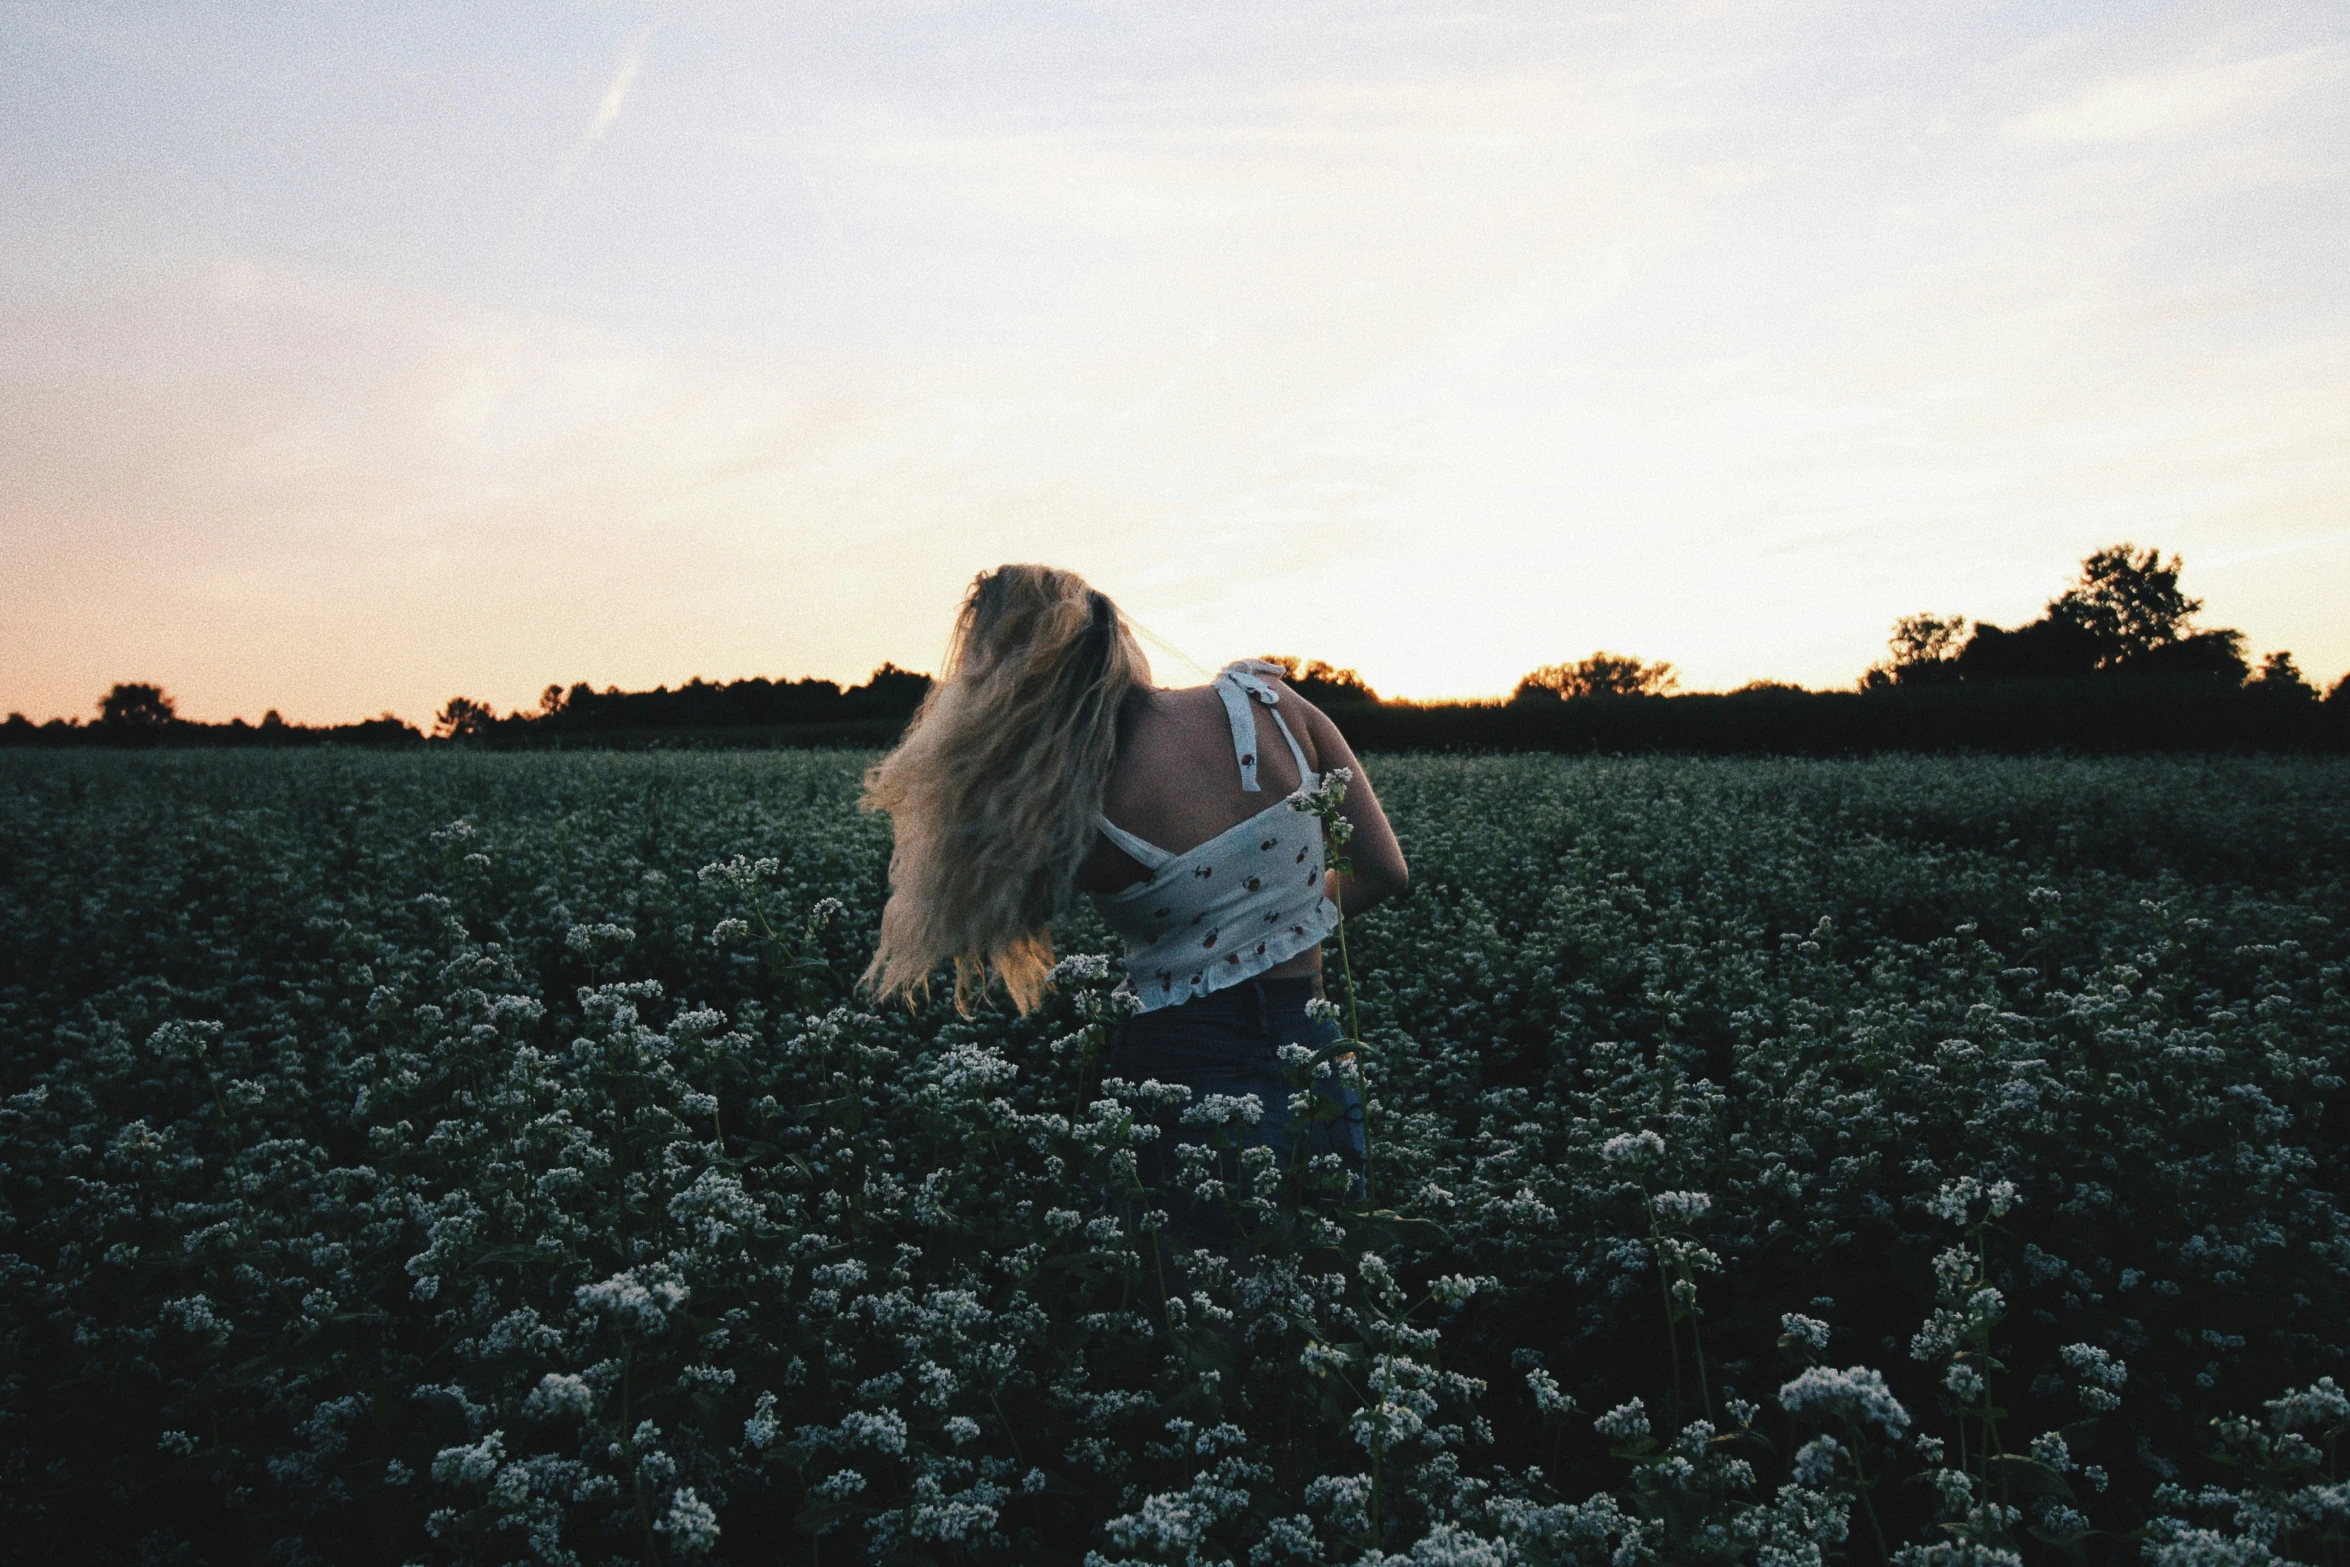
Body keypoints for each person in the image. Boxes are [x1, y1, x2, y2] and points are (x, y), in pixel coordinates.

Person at [859, 564, 1409, 1235]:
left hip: (1181, 1064)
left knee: (1197, 1309)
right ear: (1114, 634)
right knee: (1325, 1277)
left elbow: (999, 920)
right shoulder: (1271, 705)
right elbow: (1385, 870)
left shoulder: (1066, 802)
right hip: (1316, 1047)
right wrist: (1279, 918)